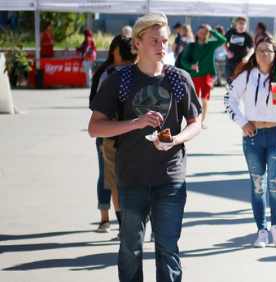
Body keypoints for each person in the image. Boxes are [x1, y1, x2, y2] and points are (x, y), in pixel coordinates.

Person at [88, 13, 203, 281]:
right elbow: (95, 127)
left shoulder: (179, 78)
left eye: (164, 40)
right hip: (130, 178)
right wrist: (135, 123)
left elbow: (196, 123)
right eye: (154, 40)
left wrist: (177, 138)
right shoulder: (119, 79)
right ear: (137, 43)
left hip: (170, 177)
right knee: (130, 249)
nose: (161, 46)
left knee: (168, 249)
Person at [224, 37, 276, 248]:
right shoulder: (246, 76)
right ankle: (261, 230)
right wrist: (242, 122)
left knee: (275, 183)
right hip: (253, 136)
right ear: (254, 54)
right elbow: (228, 99)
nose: (263, 54)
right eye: (259, 51)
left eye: (268, 50)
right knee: (258, 185)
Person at [89, 34, 135, 237]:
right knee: (116, 181)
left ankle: (115, 221)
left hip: (111, 133)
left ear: (115, 51)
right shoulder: (139, 72)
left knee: (112, 181)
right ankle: (114, 221)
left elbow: (98, 109)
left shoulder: (107, 74)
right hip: (123, 134)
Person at [179, 24, 226, 130]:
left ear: (208, 34)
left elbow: (223, 39)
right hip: (194, 76)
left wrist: (212, 30)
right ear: (197, 33)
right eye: (200, 33)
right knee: (194, 100)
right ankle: (195, 120)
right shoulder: (191, 46)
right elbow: (183, 60)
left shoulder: (210, 44)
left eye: (205, 33)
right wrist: (191, 66)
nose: (202, 35)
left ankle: (203, 121)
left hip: (207, 76)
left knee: (204, 99)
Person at [225, 16, 254, 85]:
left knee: (237, 80)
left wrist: (247, 57)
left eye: (243, 24)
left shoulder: (247, 36)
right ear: (236, 23)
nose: (241, 25)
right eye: (240, 23)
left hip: (240, 61)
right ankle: (231, 93)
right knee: (229, 80)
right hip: (230, 60)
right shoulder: (231, 32)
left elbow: (252, 48)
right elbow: (224, 42)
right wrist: (227, 51)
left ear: (246, 25)